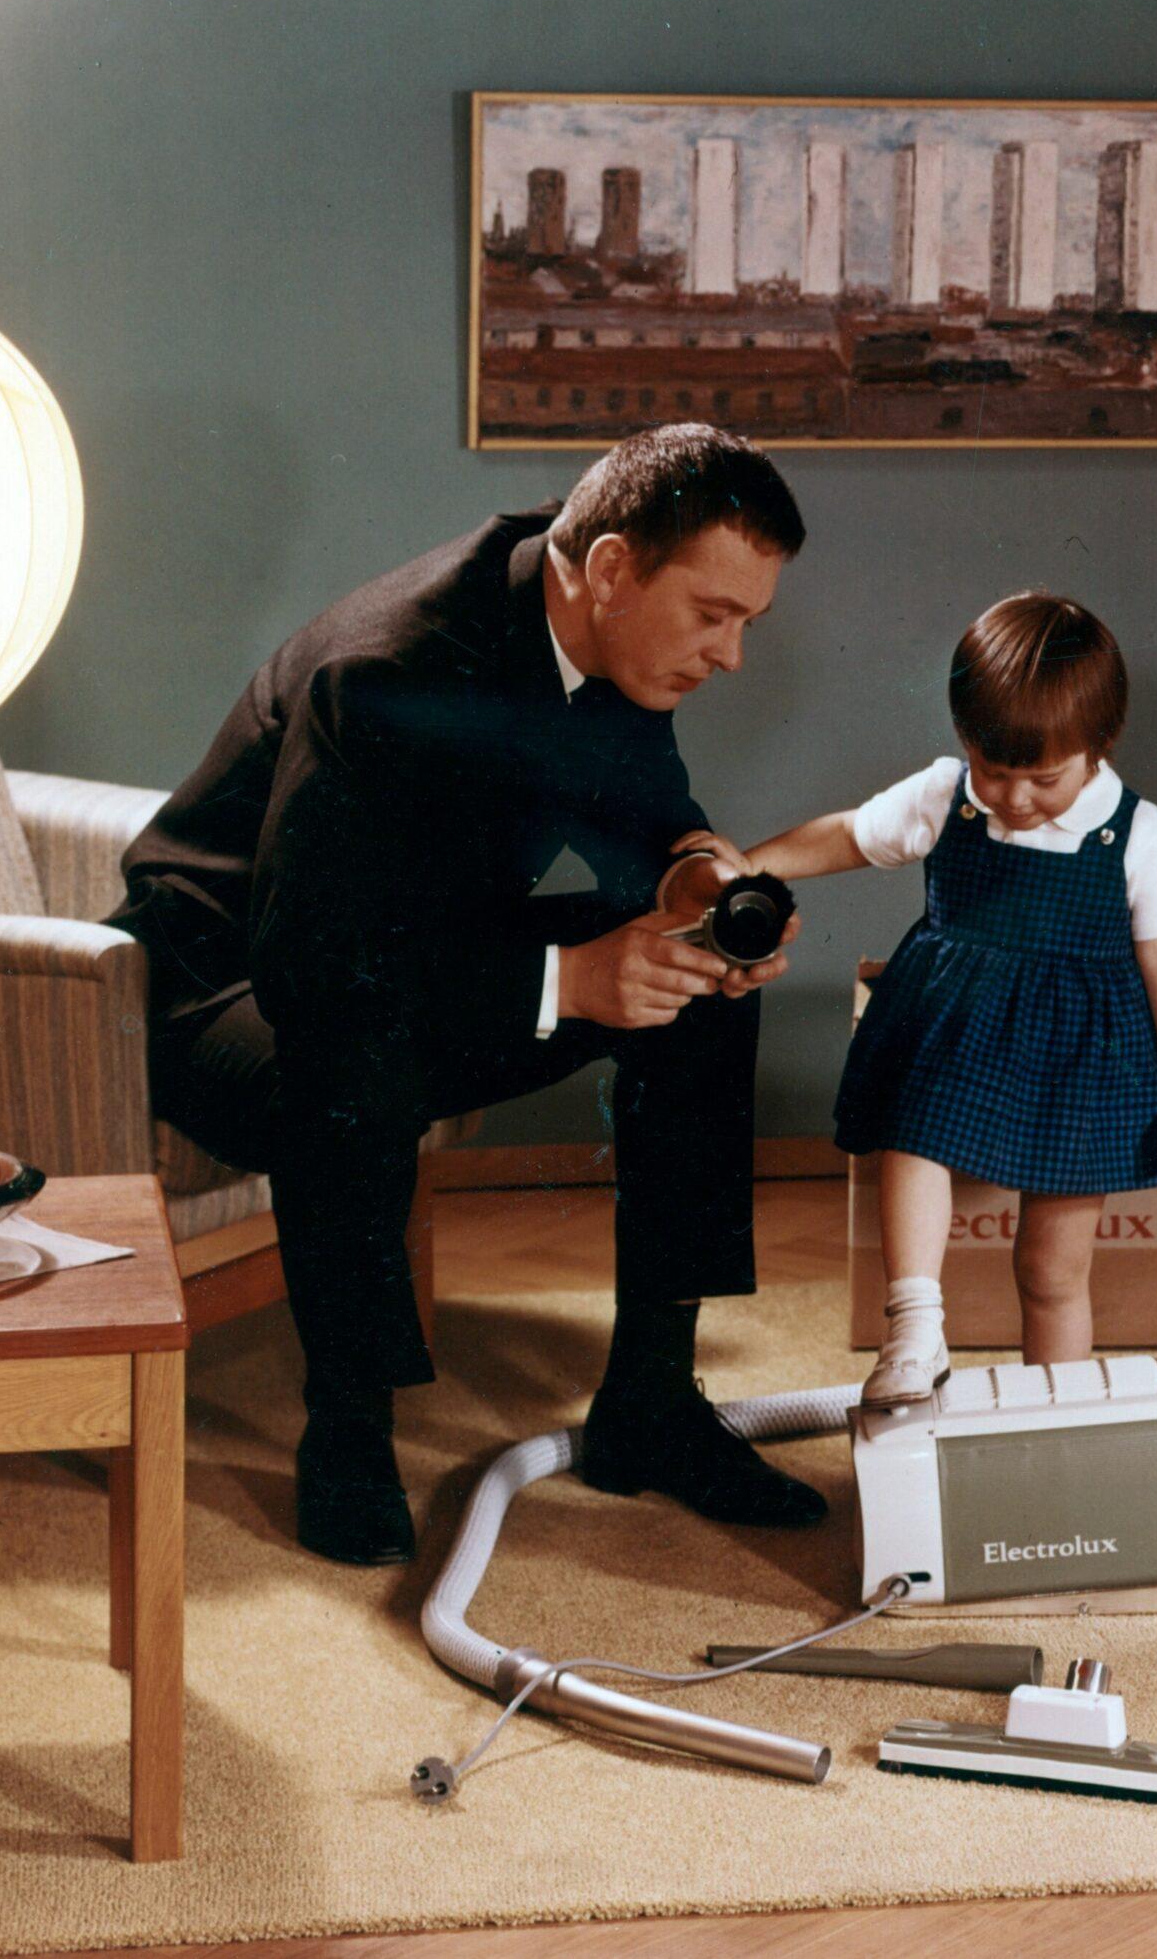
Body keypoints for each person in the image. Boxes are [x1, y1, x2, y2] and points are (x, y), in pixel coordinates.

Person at [112, 424, 828, 1564]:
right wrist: (574, 978)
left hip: (412, 957)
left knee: (696, 983)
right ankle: (346, 1431)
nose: (730, 656)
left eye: (749, 621)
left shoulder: (598, 620)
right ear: (610, 571)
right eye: (713, 615)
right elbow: (315, 970)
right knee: (354, 1059)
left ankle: (649, 1402)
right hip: (227, 991)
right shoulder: (389, 666)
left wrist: (696, 875)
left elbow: (647, 801)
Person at [688, 592, 1157, 1405]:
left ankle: (1057, 1408)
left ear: (1098, 746)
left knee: (1051, 1267)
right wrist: (746, 868)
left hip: (1080, 1060)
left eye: (1042, 779)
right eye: (992, 770)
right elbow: (848, 835)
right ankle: (915, 1325)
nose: (1011, 799)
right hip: (957, 1023)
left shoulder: (1138, 833)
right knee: (915, 1127)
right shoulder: (947, 795)